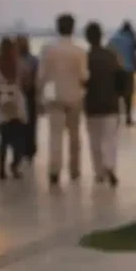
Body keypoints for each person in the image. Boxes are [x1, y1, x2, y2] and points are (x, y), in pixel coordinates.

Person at [38, 13, 89, 187]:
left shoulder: (47, 49)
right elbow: (84, 75)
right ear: (73, 29)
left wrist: (39, 95)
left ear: (57, 27)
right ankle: (74, 170)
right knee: (74, 136)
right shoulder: (80, 51)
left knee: (55, 137)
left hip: (54, 98)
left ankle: (54, 171)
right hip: (74, 97)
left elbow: (42, 76)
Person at [83, 22, 124, 186]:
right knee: (110, 139)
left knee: (95, 140)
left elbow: (83, 80)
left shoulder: (86, 58)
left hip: (92, 105)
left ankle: (99, 172)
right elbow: (121, 76)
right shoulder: (111, 56)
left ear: (87, 38)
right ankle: (110, 167)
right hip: (110, 103)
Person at [0, 37, 28, 180]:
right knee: (14, 137)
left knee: (9, 137)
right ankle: (9, 168)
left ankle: (7, 168)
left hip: (7, 102)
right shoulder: (1, 64)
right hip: (8, 102)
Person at [107, 20, 136, 126]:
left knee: (116, 95)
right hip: (128, 70)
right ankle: (128, 118)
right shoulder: (131, 38)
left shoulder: (113, 38)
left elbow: (107, 51)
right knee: (128, 96)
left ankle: (116, 118)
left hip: (115, 71)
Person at [16, 35, 39, 163]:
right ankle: (26, 150)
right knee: (26, 123)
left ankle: (28, 150)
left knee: (27, 123)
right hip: (23, 94)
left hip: (28, 94)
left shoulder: (31, 60)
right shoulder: (33, 60)